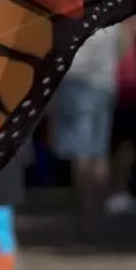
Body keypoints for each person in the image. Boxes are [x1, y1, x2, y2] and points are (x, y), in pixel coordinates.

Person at [53, 23, 123, 210]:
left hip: (77, 85)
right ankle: (98, 205)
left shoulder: (76, 21)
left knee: (81, 151)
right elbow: (122, 48)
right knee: (99, 150)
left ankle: (86, 204)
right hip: (105, 84)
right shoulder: (114, 20)